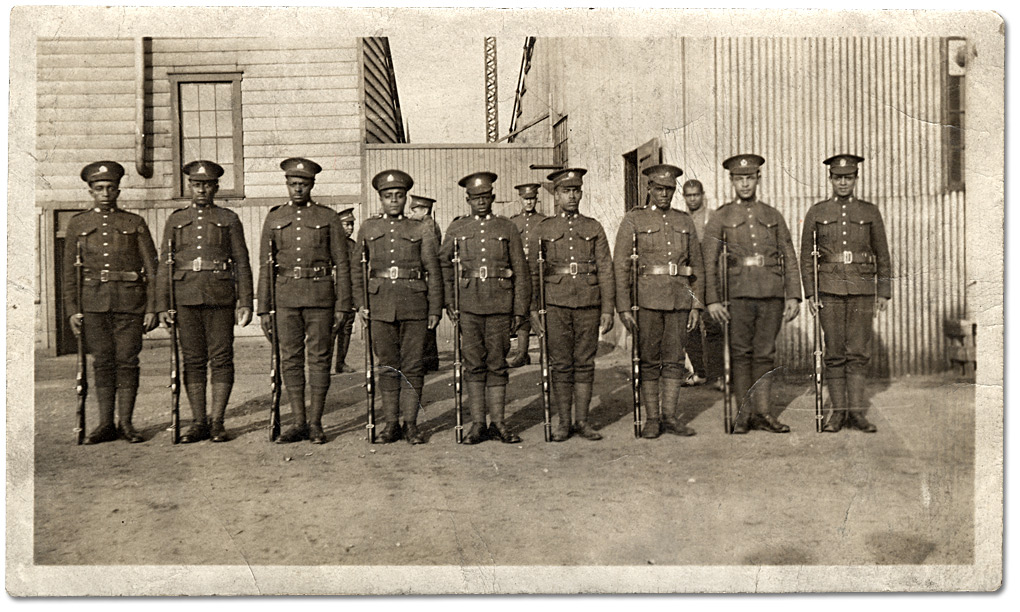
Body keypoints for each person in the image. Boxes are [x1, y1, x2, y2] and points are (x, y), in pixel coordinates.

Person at [156, 160, 254, 443]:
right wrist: (162, 304)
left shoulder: (229, 219)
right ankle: (198, 422)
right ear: (189, 186)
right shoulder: (175, 220)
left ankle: (217, 422)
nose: (202, 190)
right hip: (185, 296)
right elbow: (165, 263)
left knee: (222, 358)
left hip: (220, 296)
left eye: (207, 185)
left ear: (216, 187)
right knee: (193, 359)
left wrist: (245, 301)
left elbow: (242, 262)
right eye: (197, 185)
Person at [702, 154, 801, 434]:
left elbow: (789, 256)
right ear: (732, 181)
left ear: (758, 179)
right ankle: (743, 415)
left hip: (771, 292)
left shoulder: (772, 215)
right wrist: (712, 299)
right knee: (740, 354)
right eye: (739, 178)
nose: (744, 184)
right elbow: (709, 261)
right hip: (738, 294)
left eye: (749, 178)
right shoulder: (721, 216)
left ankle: (764, 413)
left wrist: (793, 295)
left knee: (765, 355)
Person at [62, 161, 159, 444]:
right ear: (91, 191)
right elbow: (69, 273)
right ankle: (105, 424)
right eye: (99, 188)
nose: (105, 193)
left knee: (127, 361)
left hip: (130, 304)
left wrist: (152, 307)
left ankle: (126, 423)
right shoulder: (78, 224)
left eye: (110, 188)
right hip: (93, 304)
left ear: (118, 190)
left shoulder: (134, 223)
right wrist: (72, 310)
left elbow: (152, 270)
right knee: (102, 362)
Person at [257, 158, 352, 444]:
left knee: (320, 359)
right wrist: (264, 308)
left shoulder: (328, 217)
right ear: (287, 185)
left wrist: (343, 306)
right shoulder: (274, 217)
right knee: (290, 358)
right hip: (285, 297)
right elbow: (266, 266)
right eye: (293, 184)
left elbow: (342, 264)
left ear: (312, 185)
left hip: (321, 297)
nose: (298, 189)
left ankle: (315, 423)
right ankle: (298, 421)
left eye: (303, 184)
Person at [801, 154, 891, 433]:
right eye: (838, 177)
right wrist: (811, 293)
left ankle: (856, 414)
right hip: (829, 289)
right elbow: (806, 256)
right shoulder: (817, 212)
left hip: (863, 289)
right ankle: (838, 414)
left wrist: (883, 291)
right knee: (834, 353)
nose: (843, 182)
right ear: (830, 179)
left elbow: (883, 255)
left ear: (856, 179)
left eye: (848, 177)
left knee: (858, 353)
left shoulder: (870, 211)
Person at [614, 164, 705, 439]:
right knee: (650, 361)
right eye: (659, 189)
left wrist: (695, 305)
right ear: (649, 189)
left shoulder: (684, 221)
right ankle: (652, 418)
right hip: (647, 301)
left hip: (679, 300)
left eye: (669, 189)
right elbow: (621, 266)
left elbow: (696, 268)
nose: (664, 194)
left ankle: (670, 417)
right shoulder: (634, 220)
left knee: (675, 361)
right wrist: (623, 306)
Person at [439, 171, 530, 444]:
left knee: (497, 363)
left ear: (492, 198)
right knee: (473, 364)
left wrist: (519, 309)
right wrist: (449, 301)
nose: (481, 201)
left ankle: (499, 423)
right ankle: (478, 424)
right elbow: (443, 264)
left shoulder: (507, 227)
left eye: (485, 197)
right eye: (475, 198)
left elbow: (521, 270)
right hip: (468, 305)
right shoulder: (457, 228)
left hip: (500, 304)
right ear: (468, 199)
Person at [355, 171, 442, 444]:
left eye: (399, 196)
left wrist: (435, 309)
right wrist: (360, 304)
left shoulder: (420, 229)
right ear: (380, 199)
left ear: (405, 198)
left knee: (414, 366)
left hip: (415, 304)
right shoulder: (368, 228)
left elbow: (433, 270)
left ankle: (411, 424)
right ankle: (391, 424)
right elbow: (358, 270)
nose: (394, 201)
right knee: (388, 366)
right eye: (388, 196)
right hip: (380, 304)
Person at [528, 169, 614, 441]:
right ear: (556, 195)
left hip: (589, 302)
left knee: (585, 363)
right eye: (566, 191)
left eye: (576, 190)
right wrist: (532, 308)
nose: (572, 196)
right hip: (555, 303)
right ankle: (564, 422)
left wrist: (608, 308)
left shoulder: (593, 226)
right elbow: (533, 271)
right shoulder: (544, 228)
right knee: (561, 363)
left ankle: (583, 421)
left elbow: (605, 269)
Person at [681, 179, 725, 390]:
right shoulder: (680, 220)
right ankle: (699, 372)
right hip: (687, 279)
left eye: (696, 195)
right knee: (689, 327)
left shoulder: (712, 217)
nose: (692, 199)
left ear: (702, 195)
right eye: (688, 195)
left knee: (712, 325)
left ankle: (717, 375)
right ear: (684, 197)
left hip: (708, 278)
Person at [507, 182, 548, 367]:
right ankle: (522, 353)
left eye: (532, 199)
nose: (529, 202)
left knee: (540, 309)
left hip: (538, 272)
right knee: (522, 310)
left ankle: (545, 352)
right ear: (520, 200)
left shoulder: (544, 221)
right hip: (519, 273)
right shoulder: (513, 222)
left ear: (536, 200)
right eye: (525, 199)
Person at [407, 195, 442, 373]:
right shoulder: (430, 224)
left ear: (425, 210)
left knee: (425, 323)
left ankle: (427, 361)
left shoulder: (427, 227)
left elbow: (432, 255)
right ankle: (430, 360)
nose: (410, 214)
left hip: (426, 279)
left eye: (414, 210)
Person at [332, 207, 359, 375]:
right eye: (346, 224)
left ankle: (341, 363)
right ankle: (325, 364)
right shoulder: (330, 245)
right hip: (333, 293)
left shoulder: (353, 245)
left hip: (349, 292)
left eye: (351, 225)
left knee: (347, 327)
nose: (350, 228)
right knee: (332, 328)